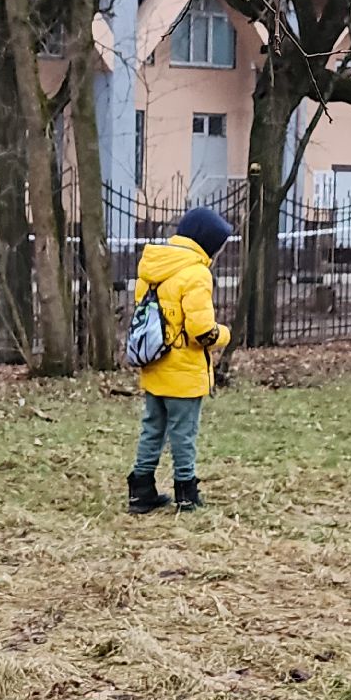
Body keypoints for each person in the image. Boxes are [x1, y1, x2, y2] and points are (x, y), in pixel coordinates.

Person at [127, 206, 232, 515]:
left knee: (153, 428)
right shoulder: (197, 274)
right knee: (183, 433)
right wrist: (224, 334)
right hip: (184, 370)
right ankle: (186, 492)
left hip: (154, 362)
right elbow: (202, 332)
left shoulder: (151, 268)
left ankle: (140, 488)